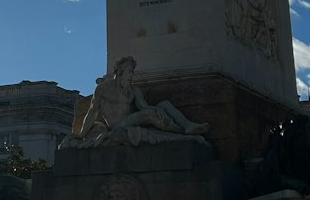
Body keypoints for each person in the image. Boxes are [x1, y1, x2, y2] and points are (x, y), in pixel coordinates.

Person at [75, 56, 209, 144]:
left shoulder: (134, 90)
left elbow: (144, 107)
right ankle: (182, 132)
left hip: (130, 120)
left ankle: (187, 126)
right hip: (117, 126)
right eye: (129, 72)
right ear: (120, 72)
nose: (131, 76)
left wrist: (157, 109)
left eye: (132, 72)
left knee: (164, 105)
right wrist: (82, 134)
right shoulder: (103, 89)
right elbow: (92, 112)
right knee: (151, 114)